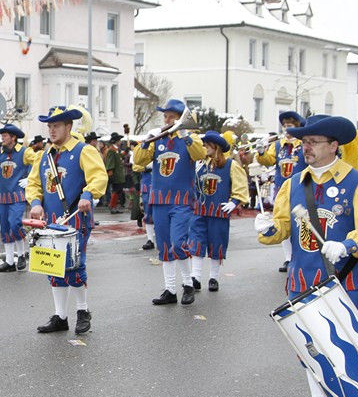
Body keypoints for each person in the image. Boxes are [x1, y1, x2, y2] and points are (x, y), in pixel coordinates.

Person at [255, 116, 358, 397]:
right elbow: (283, 228)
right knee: (310, 350)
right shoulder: (293, 183)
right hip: (302, 278)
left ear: (333, 146)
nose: (306, 148)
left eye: (313, 142)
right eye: (304, 142)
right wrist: (266, 228)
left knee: (342, 348)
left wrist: (349, 244)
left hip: (341, 280)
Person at [27, 106, 108, 334]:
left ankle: (83, 310)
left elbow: (99, 176)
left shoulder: (84, 151)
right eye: (50, 126)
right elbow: (34, 183)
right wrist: (35, 202)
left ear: (69, 127)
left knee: (74, 265)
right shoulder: (45, 155)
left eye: (57, 126)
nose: (52, 131)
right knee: (52, 267)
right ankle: (60, 316)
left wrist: (87, 195)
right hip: (51, 221)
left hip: (76, 218)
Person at [133, 98, 206, 306]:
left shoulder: (189, 138)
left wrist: (186, 136)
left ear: (180, 119)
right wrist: (148, 140)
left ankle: (188, 284)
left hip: (181, 200)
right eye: (165, 116)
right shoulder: (158, 139)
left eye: (171, 117)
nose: (166, 120)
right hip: (160, 200)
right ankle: (170, 289)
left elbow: (200, 154)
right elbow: (138, 161)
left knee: (178, 243)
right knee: (164, 246)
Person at [189, 132, 249, 292]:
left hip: (218, 210)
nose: (204, 148)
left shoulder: (230, 164)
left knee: (217, 244)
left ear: (216, 147)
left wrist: (235, 202)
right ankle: (195, 276)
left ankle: (213, 277)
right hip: (200, 210)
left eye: (207, 145)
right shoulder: (200, 164)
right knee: (196, 242)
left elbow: (240, 185)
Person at [256, 111, 307, 274]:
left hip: (301, 188)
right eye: (284, 126)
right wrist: (261, 152)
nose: (286, 129)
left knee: (301, 222)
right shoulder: (278, 145)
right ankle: (288, 257)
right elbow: (268, 161)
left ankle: (303, 254)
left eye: (290, 126)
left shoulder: (303, 144)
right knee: (283, 221)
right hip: (282, 189)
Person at [0, 123, 37, 272]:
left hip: (17, 194)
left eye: (4, 136)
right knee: (4, 227)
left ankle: (22, 254)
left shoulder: (25, 152)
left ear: (13, 137)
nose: (2, 138)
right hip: (3, 196)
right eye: (1, 136)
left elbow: (38, 162)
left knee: (15, 223)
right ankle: (10, 261)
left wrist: (30, 178)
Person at [104, 132, 128, 213]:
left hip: (119, 174)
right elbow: (110, 162)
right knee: (116, 190)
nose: (120, 142)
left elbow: (120, 157)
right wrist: (110, 173)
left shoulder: (116, 150)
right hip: (115, 174)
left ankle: (114, 206)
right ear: (116, 141)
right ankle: (112, 205)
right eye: (119, 141)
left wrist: (126, 151)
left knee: (119, 190)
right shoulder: (111, 150)